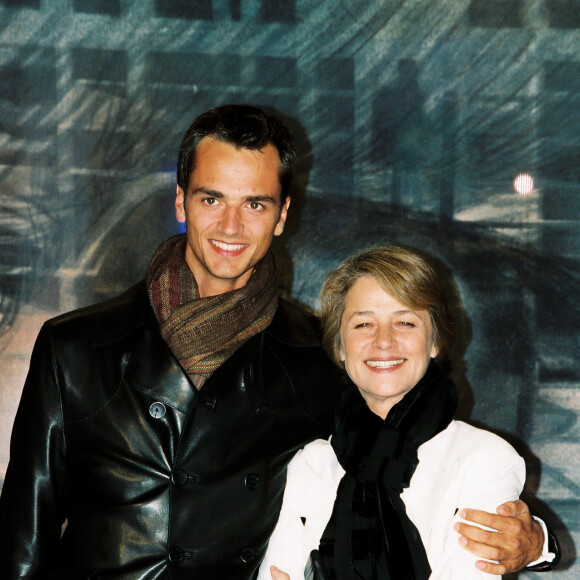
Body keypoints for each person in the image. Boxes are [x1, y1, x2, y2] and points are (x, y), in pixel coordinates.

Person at [0, 106, 550, 579]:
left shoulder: (317, 356)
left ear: (283, 214)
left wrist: (537, 540)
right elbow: (20, 543)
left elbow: (406, 465)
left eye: (256, 204)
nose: (232, 226)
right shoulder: (74, 346)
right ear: (180, 201)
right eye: (212, 199)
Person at [258, 246, 557, 580]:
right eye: (363, 324)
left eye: (405, 322)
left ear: (435, 342)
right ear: (340, 347)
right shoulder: (311, 464)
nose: (384, 341)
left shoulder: (484, 459)